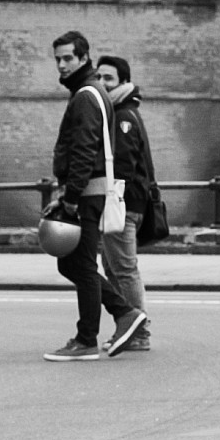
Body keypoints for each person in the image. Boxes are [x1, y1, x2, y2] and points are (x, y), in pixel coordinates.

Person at [43, 30, 141, 361]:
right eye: (57, 59)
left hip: (86, 193)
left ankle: (89, 337)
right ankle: (121, 313)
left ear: (84, 58)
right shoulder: (93, 93)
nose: (62, 64)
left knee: (80, 264)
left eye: (68, 58)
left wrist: (70, 196)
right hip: (90, 190)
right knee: (72, 263)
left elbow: (84, 150)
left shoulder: (86, 96)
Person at [92, 55, 153, 355]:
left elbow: (124, 167)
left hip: (121, 204)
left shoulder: (123, 117)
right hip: (123, 203)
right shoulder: (118, 112)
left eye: (109, 79)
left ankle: (139, 331)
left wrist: (107, 195)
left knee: (124, 269)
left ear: (123, 82)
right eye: (99, 77)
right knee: (114, 268)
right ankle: (129, 329)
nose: (102, 83)